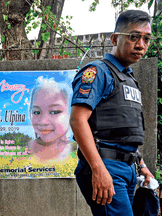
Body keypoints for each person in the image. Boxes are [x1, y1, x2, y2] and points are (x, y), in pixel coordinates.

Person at [69, 10, 155, 215]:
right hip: (106, 166)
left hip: (128, 169)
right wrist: (99, 170)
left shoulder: (128, 78)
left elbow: (124, 132)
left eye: (146, 39)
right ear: (115, 39)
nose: (141, 44)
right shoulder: (99, 72)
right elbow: (77, 120)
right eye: (134, 37)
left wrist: (141, 166)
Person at [28, 77, 76, 164]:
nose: (43, 122)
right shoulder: (25, 149)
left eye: (54, 112)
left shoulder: (78, 150)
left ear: (70, 112)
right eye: (37, 112)